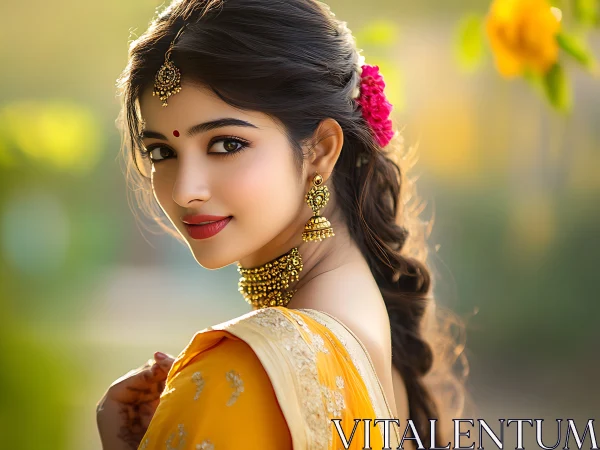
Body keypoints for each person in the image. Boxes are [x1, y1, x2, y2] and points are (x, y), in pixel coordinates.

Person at [97, 0, 467, 448]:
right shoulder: (365, 315)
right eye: (162, 152)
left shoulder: (243, 370)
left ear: (321, 150)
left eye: (226, 144)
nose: (184, 191)